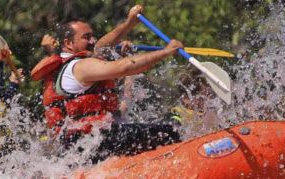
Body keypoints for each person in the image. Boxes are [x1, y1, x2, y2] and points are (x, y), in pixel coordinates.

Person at [31, 4, 183, 161]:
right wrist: (165, 52)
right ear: (68, 43)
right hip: (93, 142)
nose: (92, 40)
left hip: (80, 146)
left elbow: (101, 47)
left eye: (92, 36)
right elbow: (123, 68)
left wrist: (129, 23)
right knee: (169, 132)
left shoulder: (66, 64)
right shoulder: (80, 66)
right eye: (86, 37)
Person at [169, 67, 220, 134]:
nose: (208, 102)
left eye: (211, 96)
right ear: (186, 98)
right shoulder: (174, 119)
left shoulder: (215, 115)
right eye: (202, 99)